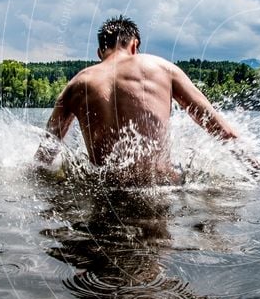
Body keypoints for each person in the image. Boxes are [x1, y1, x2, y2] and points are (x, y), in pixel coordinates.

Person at [35, 15, 241, 184]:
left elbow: (45, 154)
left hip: (106, 193)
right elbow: (223, 131)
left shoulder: (77, 84)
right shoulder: (162, 68)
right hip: (159, 189)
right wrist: (257, 169)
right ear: (135, 45)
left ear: (100, 53)